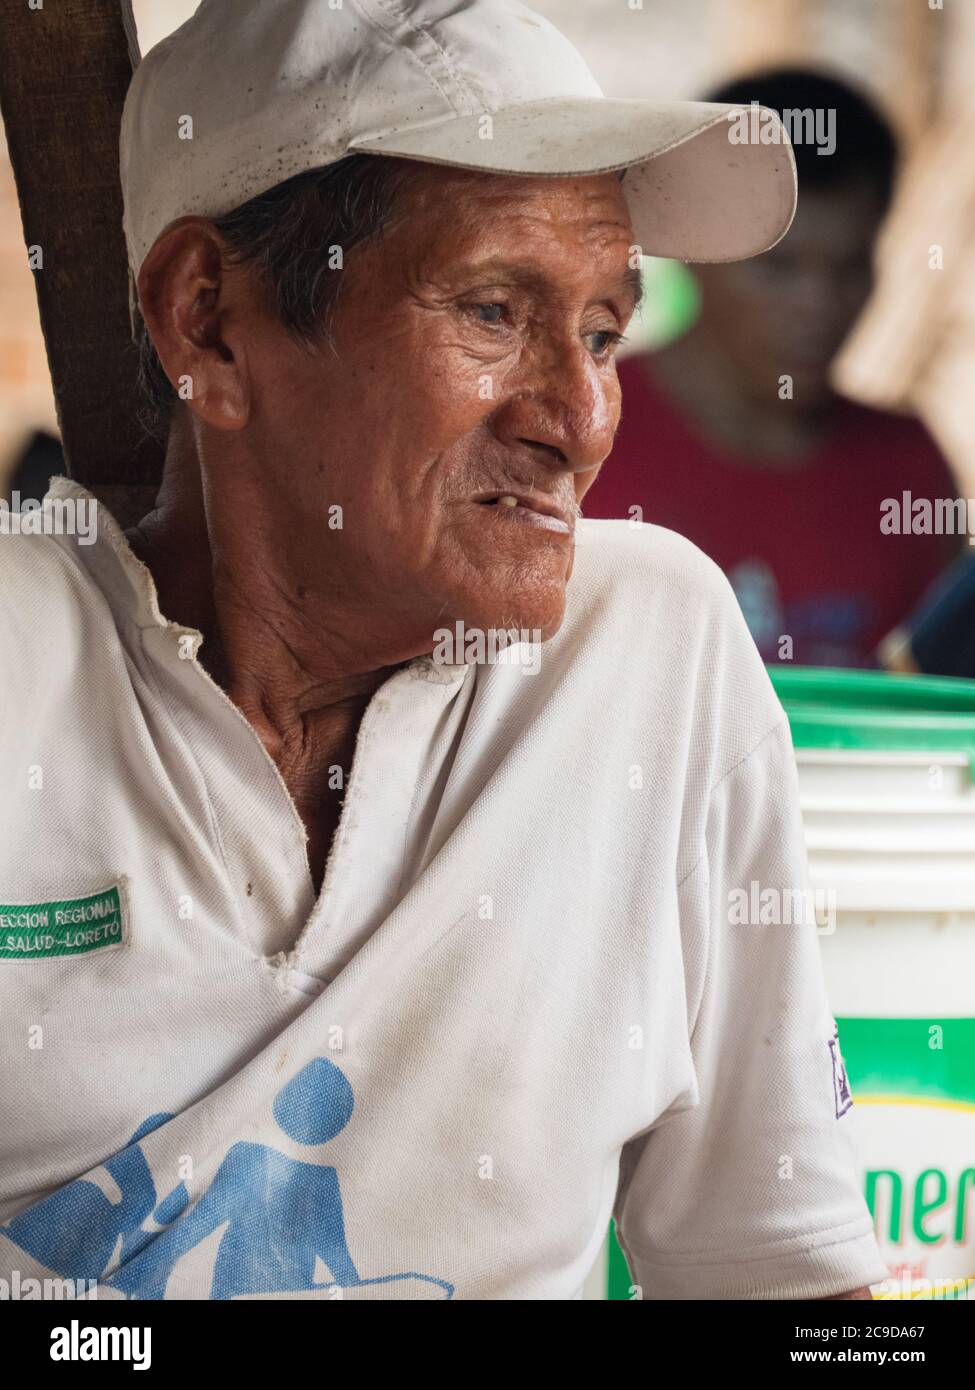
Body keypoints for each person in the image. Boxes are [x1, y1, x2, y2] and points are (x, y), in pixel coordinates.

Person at [0, 0, 888, 1300]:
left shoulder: (645, 655)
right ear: (207, 321)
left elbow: (785, 1282)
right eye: (489, 311)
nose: (580, 421)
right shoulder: (26, 672)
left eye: (599, 331)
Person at [584, 70, 961, 669]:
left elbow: (937, 700)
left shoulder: (908, 463)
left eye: (847, 268)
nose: (818, 306)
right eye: (779, 268)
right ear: (694, 250)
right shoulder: (582, 434)